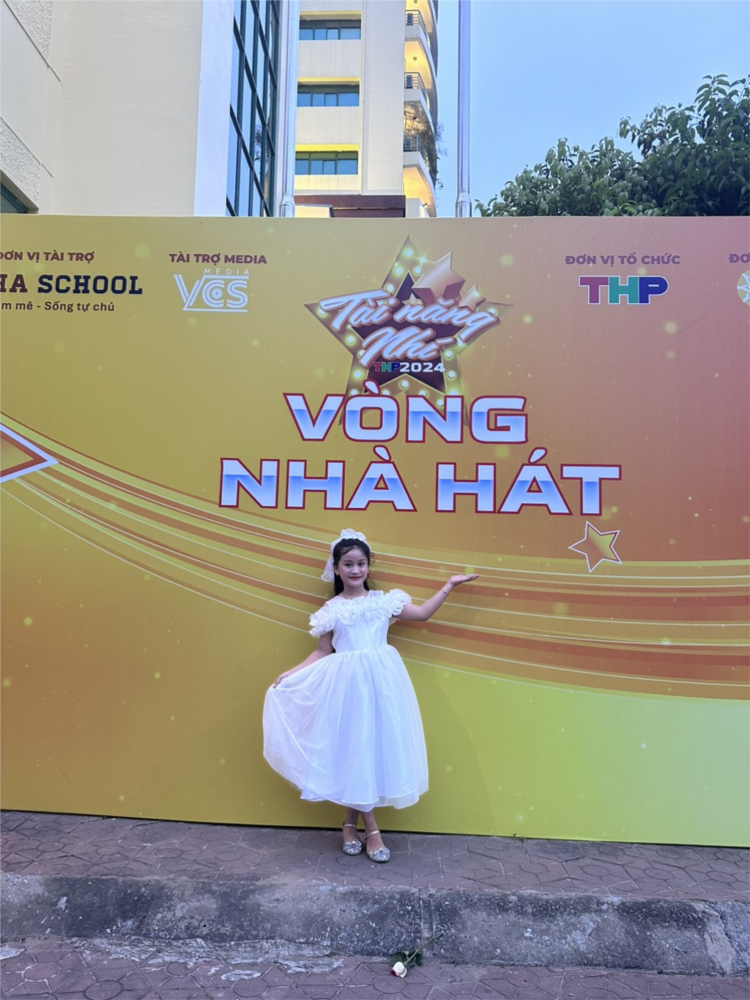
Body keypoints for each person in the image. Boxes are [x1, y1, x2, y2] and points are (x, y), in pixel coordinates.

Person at [263, 529, 478, 863]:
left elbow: (422, 613)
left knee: (369, 751)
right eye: (348, 564)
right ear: (336, 568)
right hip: (349, 688)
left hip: (383, 685)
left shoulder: (383, 602)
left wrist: (449, 585)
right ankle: (373, 830)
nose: (355, 570)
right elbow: (322, 651)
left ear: (368, 566)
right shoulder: (332, 609)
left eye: (361, 563)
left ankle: (349, 824)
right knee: (357, 748)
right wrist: (293, 673)